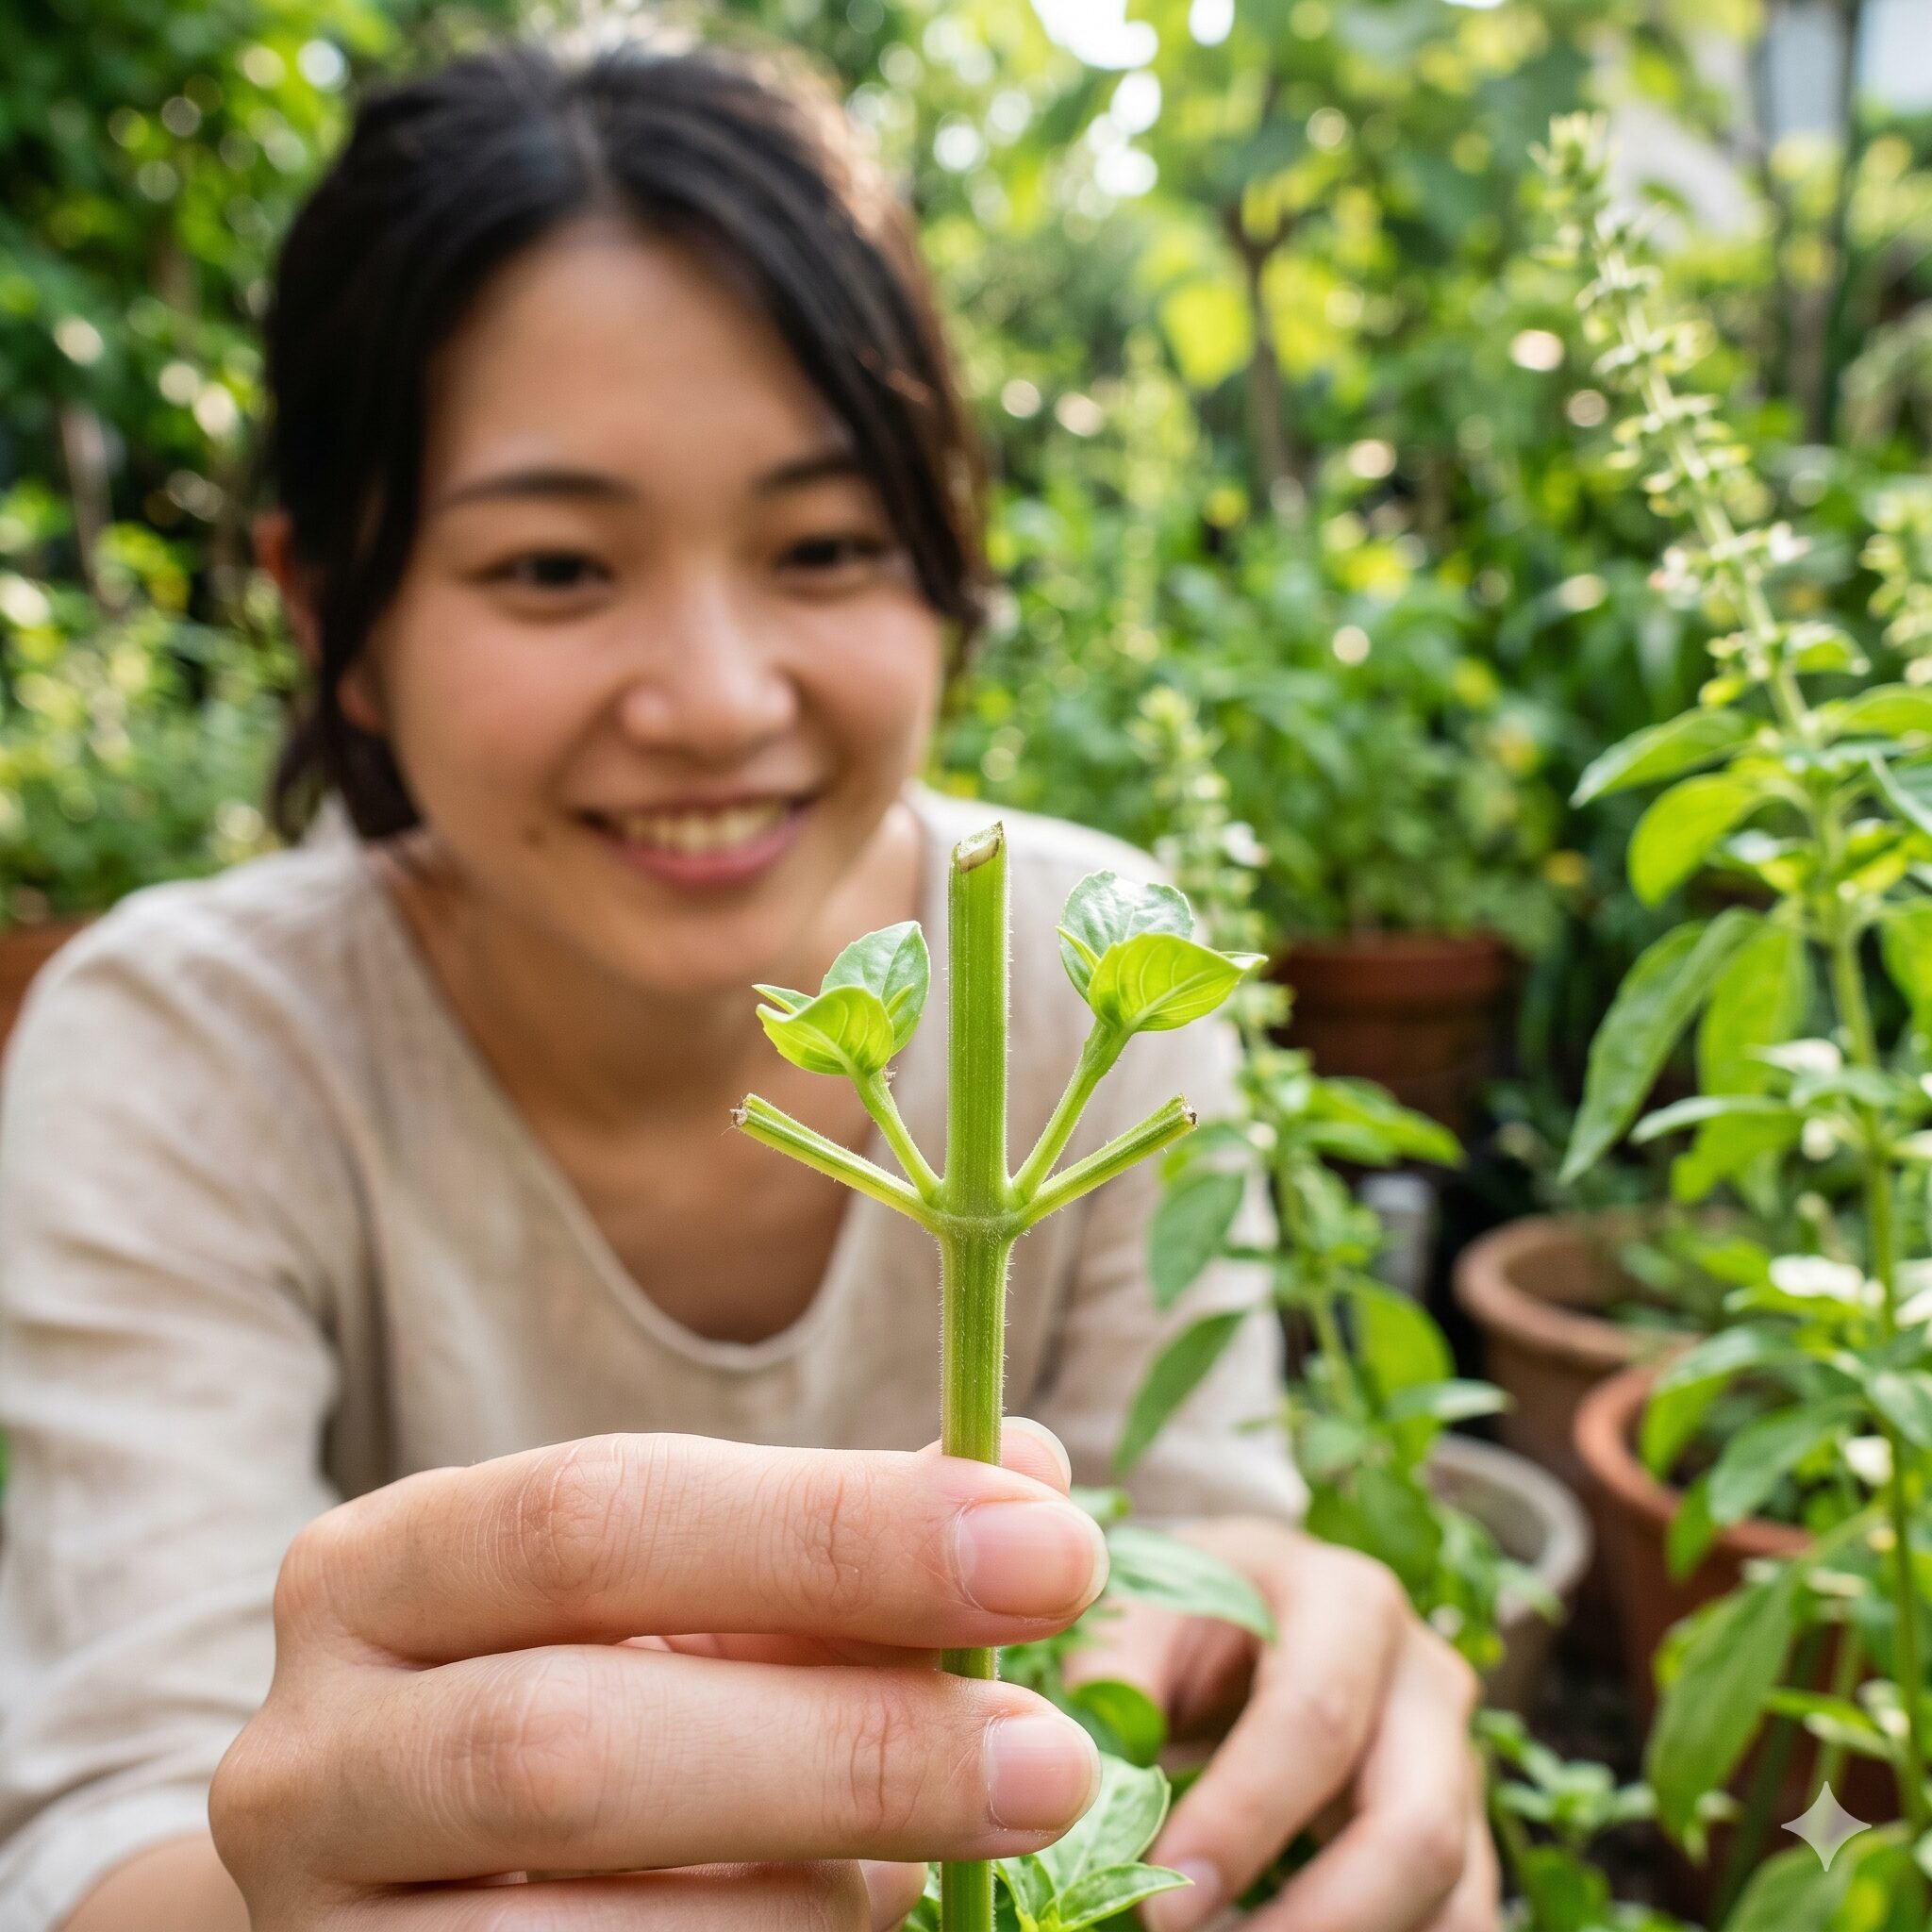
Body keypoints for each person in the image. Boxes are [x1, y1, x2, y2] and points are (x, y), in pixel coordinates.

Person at [0, 33, 1494, 1932]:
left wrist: (1289, 1661)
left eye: (823, 545)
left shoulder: (1099, 966)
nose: (714, 699)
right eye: (552, 566)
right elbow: (102, 1828)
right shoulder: (183, 1050)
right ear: (332, 618)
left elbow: (1180, 1550)